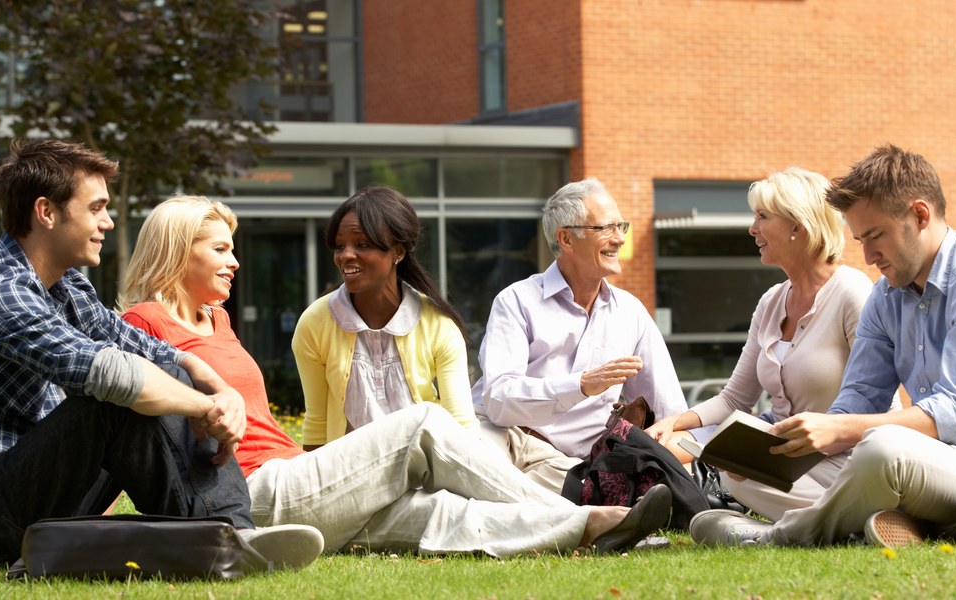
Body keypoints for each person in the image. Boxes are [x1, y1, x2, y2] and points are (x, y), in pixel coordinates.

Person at [118, 195, 673, 556]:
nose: (235, 260)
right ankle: (596, 517)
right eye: (220, 248)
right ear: (173, 251)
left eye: (233, 248)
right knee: (419, 424)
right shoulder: (144, 324)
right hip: (249, 492)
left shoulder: (214, 318)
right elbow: (123, 424)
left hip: (295, 478)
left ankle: (593, 534)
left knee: (436, 513)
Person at [0, 139, 321, 569]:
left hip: (42, 494)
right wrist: (206, 408)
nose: (108, 223)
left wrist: (221, 389)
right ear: (47, 212)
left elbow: (148, 348)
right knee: (116, 398)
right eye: (95, 208)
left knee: (166, 370)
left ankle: (233, 533)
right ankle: (227, 537)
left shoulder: (69, 287)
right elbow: (109, 373)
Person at [690, 144, 956, 548]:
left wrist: (837, 428)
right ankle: (884, 523)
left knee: (883, 450)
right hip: (928, 466)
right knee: (745, 471)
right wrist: (783, 448)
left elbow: (951, 414)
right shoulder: (887, 295)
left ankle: (780, 537)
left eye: (875, 235)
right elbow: (858, 399)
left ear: (920, 215)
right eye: (860, 239)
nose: (867, 256)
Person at [646, 167, 895, 521]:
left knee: (734, 493)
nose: (752, 228)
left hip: (849, 457)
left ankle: (824, 519)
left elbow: (886, 404)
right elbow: (734, 398)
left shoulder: (852, 291)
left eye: (762, 217)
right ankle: (845, 520)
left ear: (798, 225)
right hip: (790, 463)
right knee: (737, 479)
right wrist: (674, 422)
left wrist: (829, 438)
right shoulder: (770, 302)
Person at [471, 177, 689, 493]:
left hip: (567, 463)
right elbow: (499, 402)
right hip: (504, 438)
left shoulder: (631, 313)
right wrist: (581, 385)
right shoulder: (516, 301)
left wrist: (690, 481)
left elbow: (672, 415)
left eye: (621, 226)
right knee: (483, 474)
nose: (619, 239)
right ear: (566, 239)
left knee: (573, 493)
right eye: (606, 228)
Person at [292, 186, 476, 450]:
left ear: (398, 252)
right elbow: (317, 424)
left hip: (423, 470)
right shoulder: (315, 323)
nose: (345, 255)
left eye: (362, 244)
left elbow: (462, 424)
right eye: (340, 245)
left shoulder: (438, 325)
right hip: (347, 472)